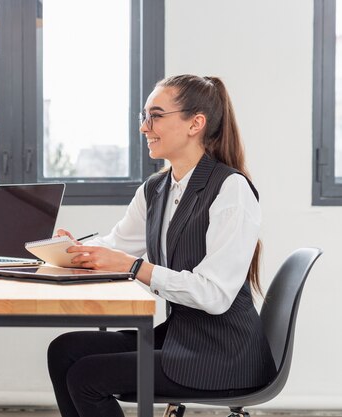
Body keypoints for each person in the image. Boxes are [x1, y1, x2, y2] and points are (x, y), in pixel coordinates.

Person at [47, 74, 276, 417]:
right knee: (63, 351)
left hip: (224, 354)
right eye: (144, 116)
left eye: (156, 116)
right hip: (181, 337)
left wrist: (134, 267)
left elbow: (213, 295)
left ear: (195, 124)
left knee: (86, 377)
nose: (144, 128)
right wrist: (69, 250)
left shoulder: (231, 190)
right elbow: (117, 244)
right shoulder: (156, 188)